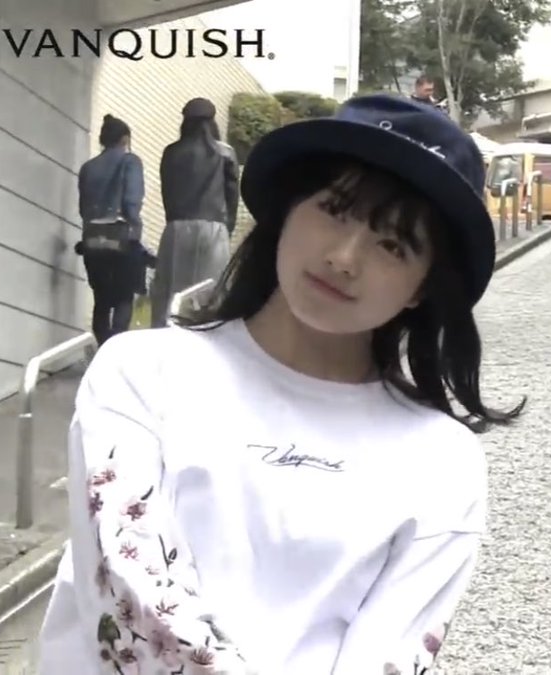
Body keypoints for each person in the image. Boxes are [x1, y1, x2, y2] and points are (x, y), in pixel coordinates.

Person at [37, 93, 523, 673]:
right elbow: (134, 598)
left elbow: (389, 658)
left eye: (393, 245)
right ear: (288, 209)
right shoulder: (142, 373)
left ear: (423, 286)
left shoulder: (443, 459)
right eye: (335, 210)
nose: (345, 257)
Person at [150, 97, 240, 327]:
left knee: (170, 294)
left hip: (177, 227)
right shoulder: (225, 152)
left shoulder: (171, 152)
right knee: (210, 294)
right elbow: (232, 197)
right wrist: (227, 228)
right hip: (214, 227)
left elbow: (167, 192)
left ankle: (164, 338)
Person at [75, 114, 153, 344]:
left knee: (101, 299)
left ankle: (101, 345)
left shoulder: (88, 168)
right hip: (120, 237)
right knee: (123, 297)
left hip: (92, 239)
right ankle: (116, 345)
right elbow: (132, 201)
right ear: (125, 139)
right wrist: (135, 230)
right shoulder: (130, 161)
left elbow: (83, 208)